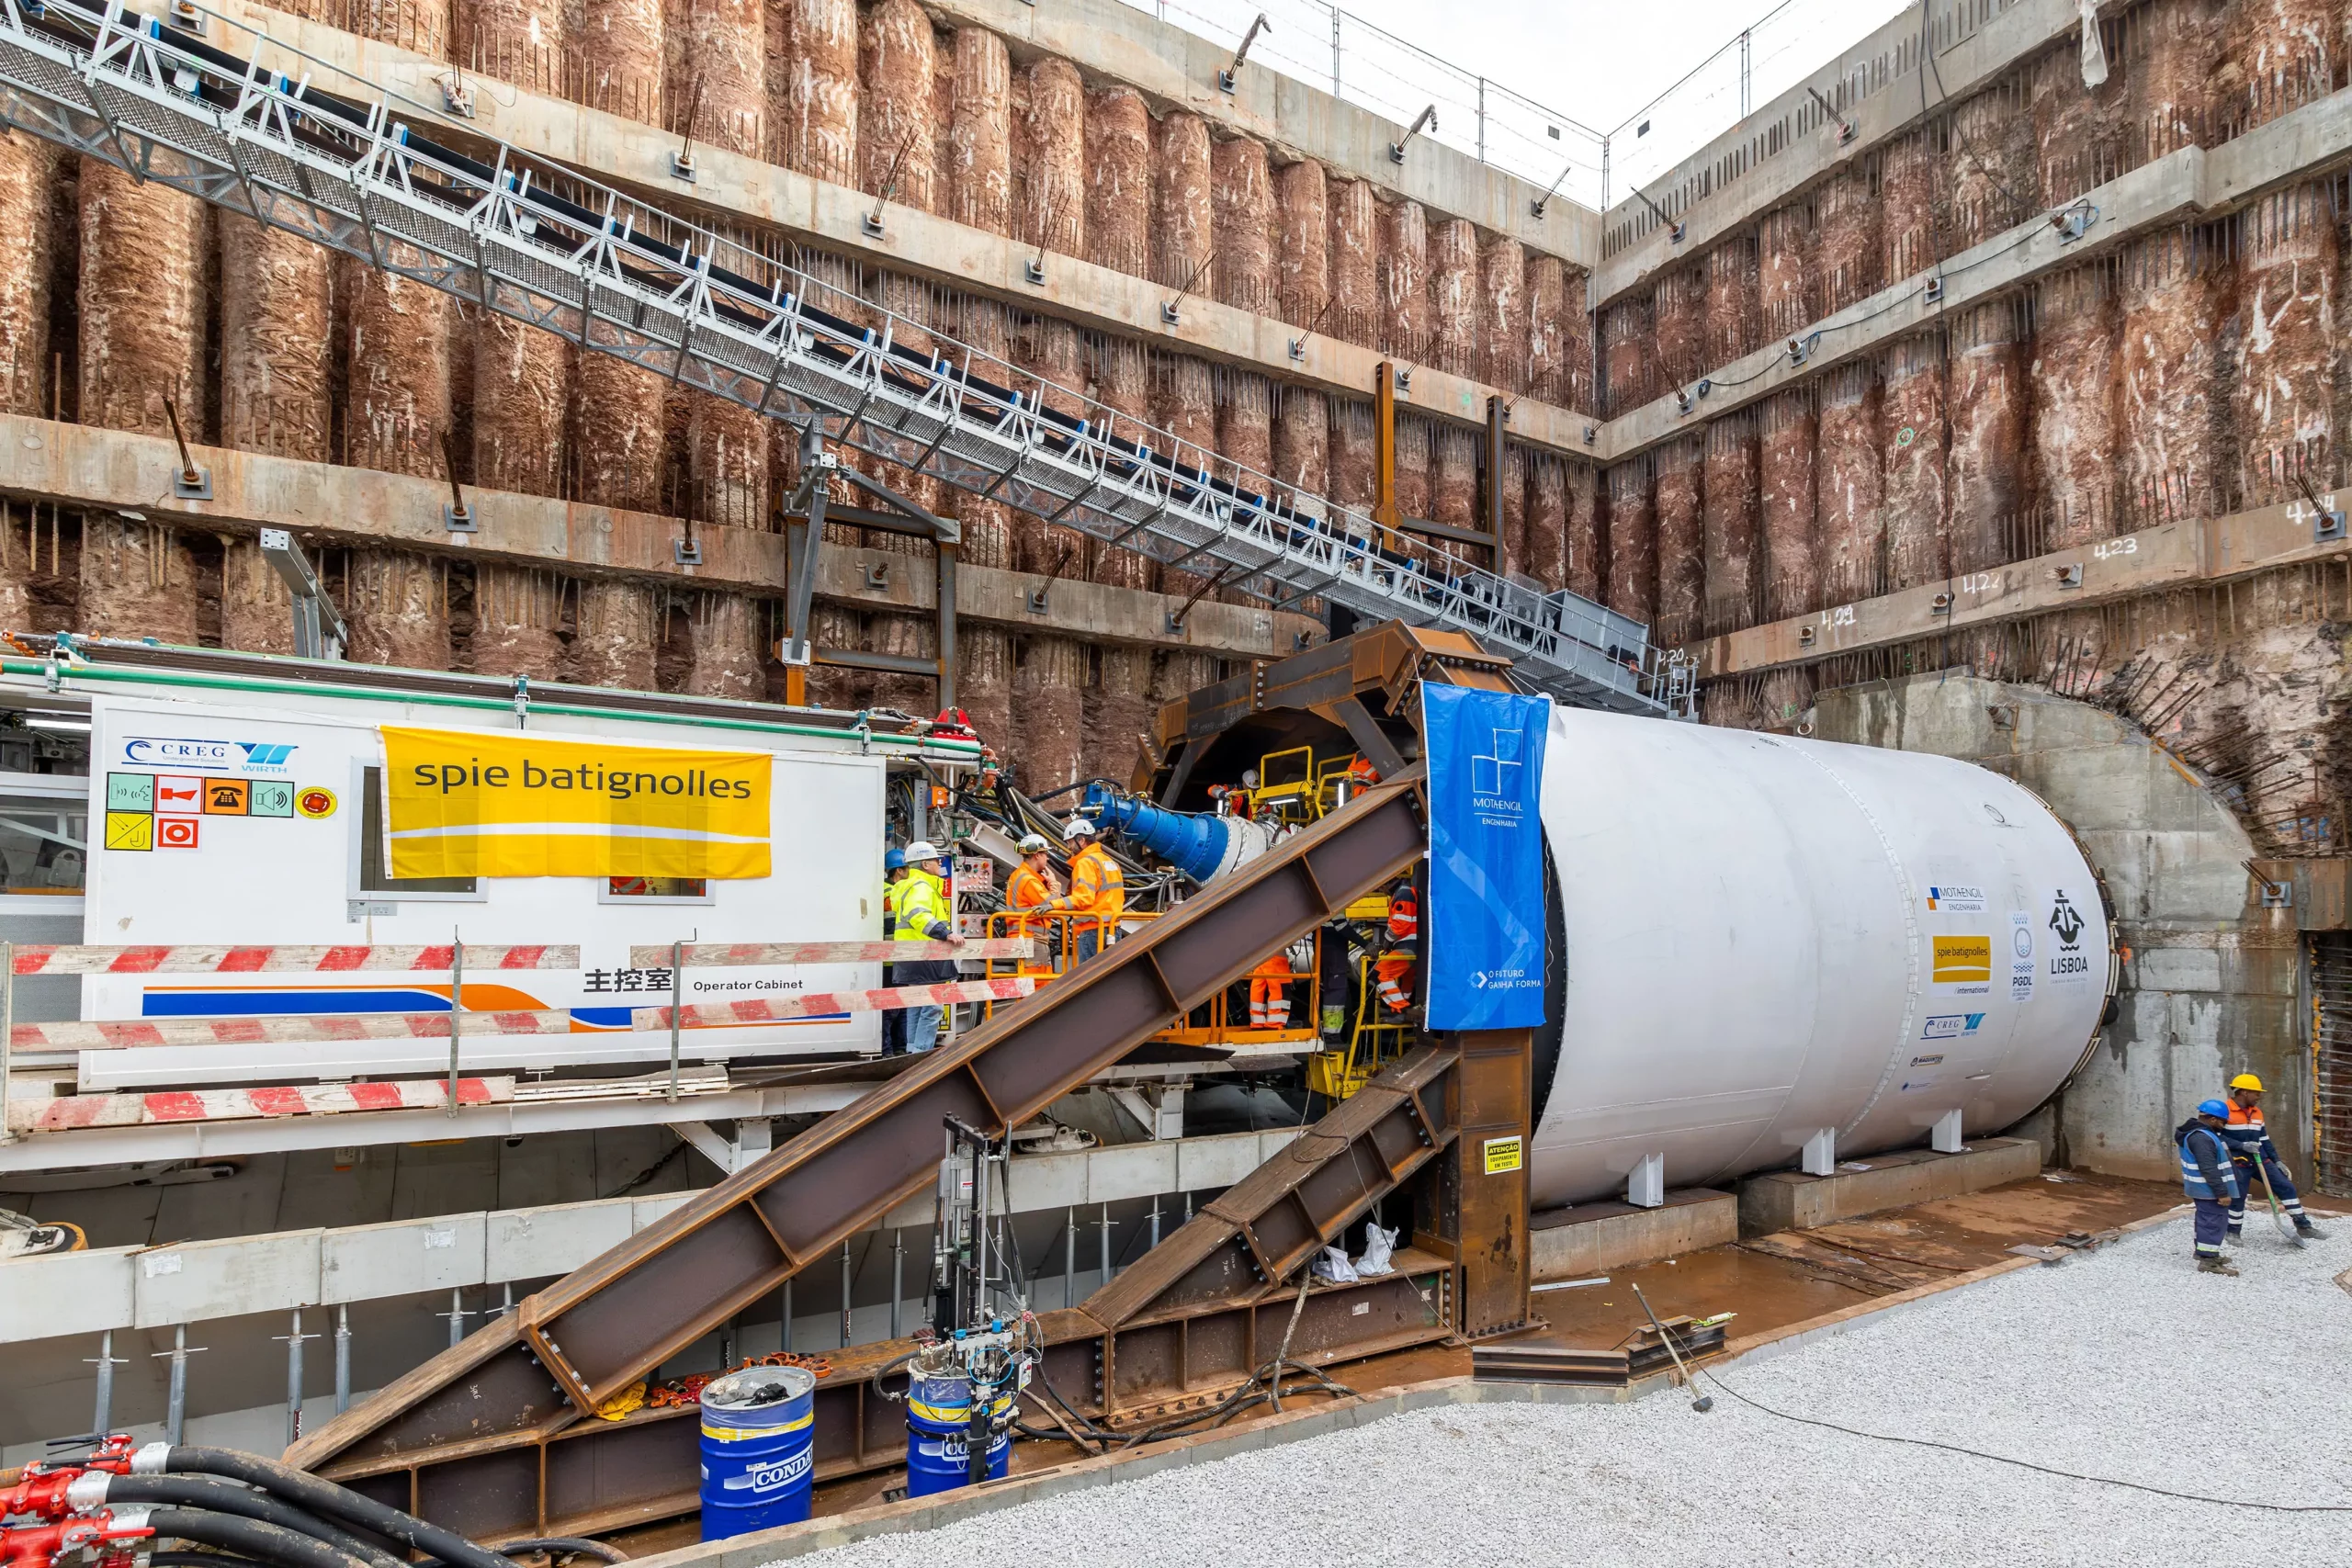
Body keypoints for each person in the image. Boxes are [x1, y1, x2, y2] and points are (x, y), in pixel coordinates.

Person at [2221, 1073, 2327, 1243]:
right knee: (2238, 1195)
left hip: (2259, 1159)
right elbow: (2218, 1137)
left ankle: (2304, 1227)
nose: (2259, 1097)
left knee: (2286, 1187)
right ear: (2244, 1092)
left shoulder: (2257, 1113)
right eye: (2256, 1093)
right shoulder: (2224, 1110)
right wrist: (2241, 1146)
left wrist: (2276, 1160)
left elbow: (2264, 1140)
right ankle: (2233, 1232)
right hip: (2237, 1162)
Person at [888, 840, 963, 1054]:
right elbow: (918, 915)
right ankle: (921, 1055)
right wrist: (945, 933)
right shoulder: (921, 886)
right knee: (932, 1008)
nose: (940, 863)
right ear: (925, 865)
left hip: (911, 956)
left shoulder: (908, 886)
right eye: (936, 860)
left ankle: (913, 1052)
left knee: (917, 1006)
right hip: (925, 956)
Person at [2177, 1099, 2242, 1275]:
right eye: (2223, 1121)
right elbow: (2209, 1168)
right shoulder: (2201, 1138)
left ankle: (2205, 1253)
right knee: (2213, 1223)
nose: (2224, 1125)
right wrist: (2222, 1192)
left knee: (2207, 1221)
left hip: (2205, 1189)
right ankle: (2208, 1261)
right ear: (2212, 1119)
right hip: (2208, 1190)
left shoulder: (2203, 1134)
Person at [1049, 817, 1125, 962]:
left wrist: (1053, 904)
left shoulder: (1085, 863)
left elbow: (1084, 898)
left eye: (1070, 842)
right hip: (1113, 929)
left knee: (1090, 979)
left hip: (1093, 930)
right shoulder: (1110, 862)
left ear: (1081, 840)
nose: (1069, 847)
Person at [1001, 833, 1058, 952]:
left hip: (1024, 937)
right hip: (1030, 939)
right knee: (1036, 971)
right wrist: (1054, 883)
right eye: (1046, 854)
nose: (1047, 858)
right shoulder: (1028, 880)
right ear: (1037, 855)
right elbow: (1053, 906)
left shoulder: (1020, 875)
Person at [880, 846, 909, 1055]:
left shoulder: (883, 890)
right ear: (898, 870)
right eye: (907, 867)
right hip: (893, 958)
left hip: (895, 957)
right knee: (893, 1008)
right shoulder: (892, 893)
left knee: (900, 1006)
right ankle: (890, 1051)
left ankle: (897, 1048)